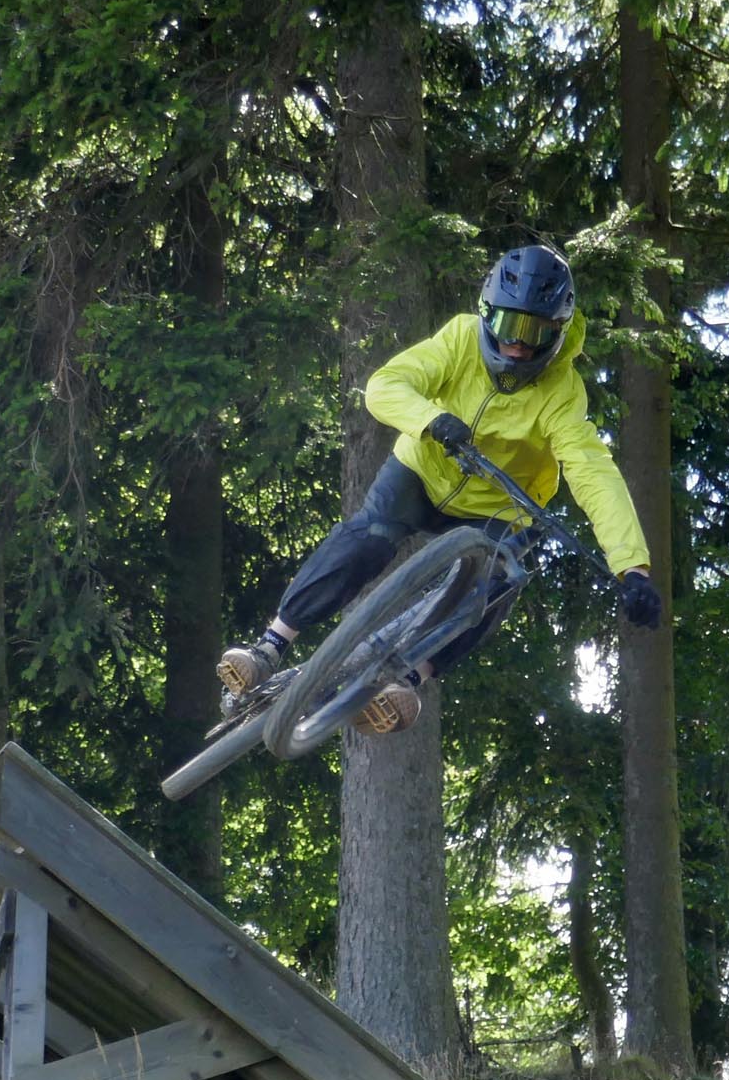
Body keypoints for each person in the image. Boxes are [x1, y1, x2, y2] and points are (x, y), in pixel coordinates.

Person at [217, 244, 663, 734]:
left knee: (497, 582)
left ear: (557, 332)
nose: (517, 345)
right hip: (425, 470)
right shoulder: (458, 340)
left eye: (535, 333)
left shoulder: (562, 391)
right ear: (487, 314)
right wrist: (431, 420)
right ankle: (269, 647)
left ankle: (409, 680)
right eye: (510, 327)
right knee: (370, 534)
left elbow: (594, 475)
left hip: (500, 504)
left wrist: (633, 568)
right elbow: (386, 385)